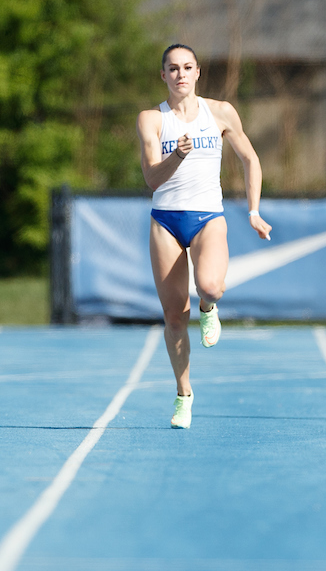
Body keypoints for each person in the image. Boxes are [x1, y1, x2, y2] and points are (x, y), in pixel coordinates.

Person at [136, 44, 272, 429]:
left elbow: (251, 159)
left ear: (198, 73)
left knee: (210, 286)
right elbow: (151, 179)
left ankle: (209, 308)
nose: (181, 74)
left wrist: (254, 211)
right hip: (165, 220)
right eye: (173, 68)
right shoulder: (152, 120)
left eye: (187, 67)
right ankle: (184, 395)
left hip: (208, 216)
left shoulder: (221, 112)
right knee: (174, 317)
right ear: (163, 75)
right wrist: (175, 156)